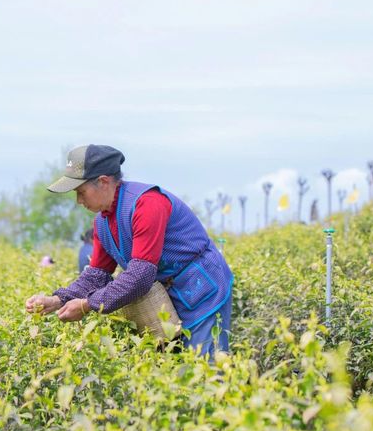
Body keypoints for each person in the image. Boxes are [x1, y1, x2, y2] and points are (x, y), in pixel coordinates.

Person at [25, 145, 234, 356]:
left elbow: (140, 276)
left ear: (104, 181)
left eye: (81, 192)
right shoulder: (102, 223)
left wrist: (87, 305)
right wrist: (58, 300)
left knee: (207, 367)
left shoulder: (147, 204)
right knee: (175, 372)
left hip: (202, 289)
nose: (79, 201)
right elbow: (96, 276)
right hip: (168, 299)